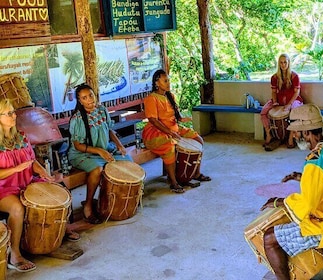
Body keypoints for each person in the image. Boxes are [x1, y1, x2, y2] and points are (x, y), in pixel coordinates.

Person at [260, 104, 323, 280]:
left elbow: (307, 205)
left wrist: (280, 202)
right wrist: (302, 177)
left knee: (269, 238)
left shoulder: (314, 163)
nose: (293, 136)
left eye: (295, 132)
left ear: (306, 133)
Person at [0, 99, 79, 272]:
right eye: (9, 113)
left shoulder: (20, 136)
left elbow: (31, 161)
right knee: (17, 209)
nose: (14, 116)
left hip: (26, 182)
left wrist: (42, 171)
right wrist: (16, 168)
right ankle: (14, 254)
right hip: (3, 188)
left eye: (13, 112)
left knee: (59, 190)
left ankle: (59, 231)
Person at [68, 84, 132, 224]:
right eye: (84, 98)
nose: (89, 99)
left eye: (91, 95)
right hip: (82, 154)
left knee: (127, 160)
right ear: (80, 101)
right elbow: (77, 145)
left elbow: (109, 130)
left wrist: (119, 145)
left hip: (103, 148)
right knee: (97, 169)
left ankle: (113, 202)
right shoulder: (78, 119)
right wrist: (99, 151)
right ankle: (88, 205)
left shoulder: (102, 110)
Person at [142, 69, 211, 193]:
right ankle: (173, 182)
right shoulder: (151, 99)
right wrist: (169, 132)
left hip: (174, 129)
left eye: (169, 80)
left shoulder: (170, 96)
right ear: (157, 83)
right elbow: (153, 120)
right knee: (170, 146)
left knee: (198, 140)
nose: (168, 83)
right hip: (156, 133)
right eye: (165, 81)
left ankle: (196, 173)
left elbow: (175, 116)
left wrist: (181, 119)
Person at [260, 53, 303, 149]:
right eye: (281, 63)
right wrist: (275, 102)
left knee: (295, 112)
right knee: (263, 112)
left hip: (293, 100)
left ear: (288, 63)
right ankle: (268, 134)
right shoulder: (274, 77)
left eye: (285, 62)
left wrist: (289, 105)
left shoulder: (294, 76)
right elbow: (274, 92)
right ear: (278, 64)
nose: (283, 64)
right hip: (279, 100)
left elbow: (297, 93)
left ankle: (291, 137)